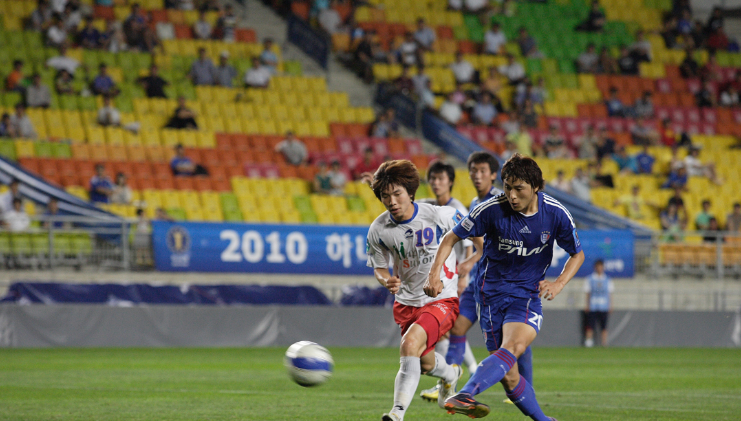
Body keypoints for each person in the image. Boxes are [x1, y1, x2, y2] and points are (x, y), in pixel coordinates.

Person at [428, 153, 584, 419]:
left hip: (525, 295)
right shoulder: (490, 209)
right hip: (489, 296)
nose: (511, 195)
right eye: (508, 187)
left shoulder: (556, 214)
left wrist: (559, 283)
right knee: (510, 376)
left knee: (512, 348)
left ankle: (465, 393)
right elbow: (450, 238)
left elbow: (577, 254)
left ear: (535, 187)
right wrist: (434, 274)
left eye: (518, 189)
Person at [366, 160, 465, 421]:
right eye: (385, 196)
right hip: (407, 302)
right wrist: (386, 280)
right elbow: (379, 268)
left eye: (397, 194)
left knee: (409, 344)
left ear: (410, 192)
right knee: (426, 364)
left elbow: (474, 231)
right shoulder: (378, 229)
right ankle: (451, 375)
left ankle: (397, 413)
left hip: (441, 298)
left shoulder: (438, 215)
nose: (392, 201)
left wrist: (472, 259)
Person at [417, 161, 477, 403]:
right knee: (449, 330)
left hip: (454, 279)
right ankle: (469, 369)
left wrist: (464, 275)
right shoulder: (430, 207)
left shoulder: (456, 207)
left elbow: (469, 242)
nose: (436, 182)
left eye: (441, 178)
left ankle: (451, 377)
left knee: (445, 329)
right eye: (432, 178)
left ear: (450, 181)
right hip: (437, 278)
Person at [584, 260, 613, 348]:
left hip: (604, 306)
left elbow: (610, 293)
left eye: (601, 267)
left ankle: (604, 343)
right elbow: (587, 293)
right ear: (595, 268)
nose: (600, 269)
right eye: (598, 267)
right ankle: (588, 342)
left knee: (604, 326)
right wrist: (587, 305)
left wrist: (610, 305)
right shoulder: (590, 279)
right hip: (593, 306)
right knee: (590, 325)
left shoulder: (607, 279)